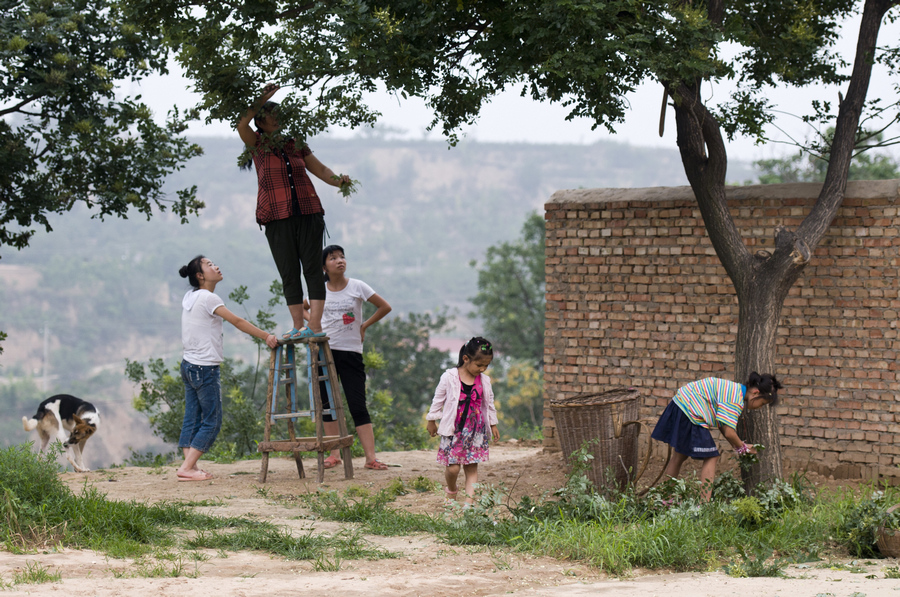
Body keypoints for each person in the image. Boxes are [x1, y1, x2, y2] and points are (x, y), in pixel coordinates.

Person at [237, 82, 351, 340]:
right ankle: (299, 325)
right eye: (269, 117)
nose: (276, 120)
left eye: (278, 116)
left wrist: (339, 180)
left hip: (309, 212)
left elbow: (320, 170)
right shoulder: (257, 145)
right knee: (289, 272)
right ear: (261, 123)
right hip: (276, 216)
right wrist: (261, 98)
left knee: (312, 269)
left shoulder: (295, 143)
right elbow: (241, 125)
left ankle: (315, 325)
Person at [176, 255, 279, 481]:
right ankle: (186, 468)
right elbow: (238, 322)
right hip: (204, 368)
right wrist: (266, 336)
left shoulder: (190, 296)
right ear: (200, 276)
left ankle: (189, 466)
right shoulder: (208, 298)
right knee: (212, 420)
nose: (216, 266)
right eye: (209, 265)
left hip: (188, 365)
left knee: (192, 417)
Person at [313, 245, 392, 471]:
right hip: (324, 352)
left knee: (357, 404)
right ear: (324, 267)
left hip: (351, 353)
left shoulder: (357, 286)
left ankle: (370, 458)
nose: (340, 261)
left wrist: (364, 325)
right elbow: (306, 308)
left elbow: (384, 306)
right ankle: (333, 454)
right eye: (333, 258)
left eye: (342, 257)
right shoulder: (319, 290)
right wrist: (316, 324)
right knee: (327, 405)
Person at [650, 372, 783, 499]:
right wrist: (743, 448)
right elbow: (729, 432)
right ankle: (703, 505)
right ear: (756, 393)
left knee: (679, 455)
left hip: (680, 404)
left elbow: (723, 425)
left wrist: (737, 446)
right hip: (691, 410)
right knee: (711, 457)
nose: (760, 407)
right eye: (763, 403)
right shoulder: (735, 399)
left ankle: (665, 499)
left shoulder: (734, 389)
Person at [426, 337, 500, 506]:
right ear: (466, 359)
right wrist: (431, 420)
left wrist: (493, 424)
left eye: (486, 366)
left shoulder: (485, 381)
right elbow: (438, 400)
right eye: (479, 365)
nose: (482, 369)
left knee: (471, 467)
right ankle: (451, 490)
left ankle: (469, 505)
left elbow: (489, 404)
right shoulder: (449, 377)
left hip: (475, 431)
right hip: (454, 430)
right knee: (453, 468)